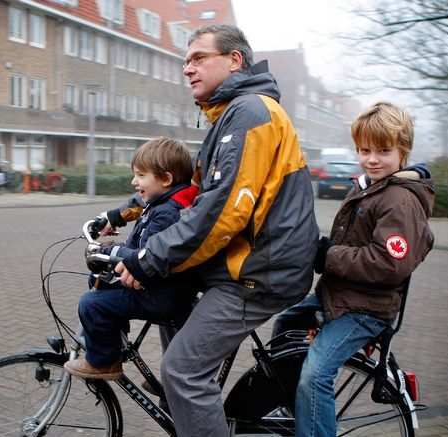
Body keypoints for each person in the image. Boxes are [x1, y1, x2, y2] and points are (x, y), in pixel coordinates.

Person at [113, 24, 319, 436]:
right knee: (172, 306)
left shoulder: (250, 113)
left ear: (234, 60)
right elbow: (188, 194)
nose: (188, 68)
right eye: (185, 61)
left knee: (184, 371)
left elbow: (222, 211)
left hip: (259, 271)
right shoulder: (230, 115)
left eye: (199, 58)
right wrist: (124, 217)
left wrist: (150, 259)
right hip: (246, 260)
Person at [273, 101, 435, 437]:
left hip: (366, 310)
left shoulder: (400, 200)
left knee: (316, 374)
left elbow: (389, 264)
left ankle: (311, 416)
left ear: (402, 151)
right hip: (339, 297)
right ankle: (295, 407)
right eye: (364, 150)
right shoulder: (368, 187)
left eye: (383, 150)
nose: (372, 158)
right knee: (286, 324)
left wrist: (328, 255)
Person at [63, 137, 200, 380]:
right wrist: (111, 221)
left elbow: (146, 257)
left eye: (140, 175)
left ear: (166, 179)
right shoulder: (164, 202)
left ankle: (104, 361)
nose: (134, 181)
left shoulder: (167, 214)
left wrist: (110, 252)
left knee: (91, 304)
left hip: (162, 294)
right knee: (99, 279)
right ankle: (113, 341)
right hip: (162, 288)